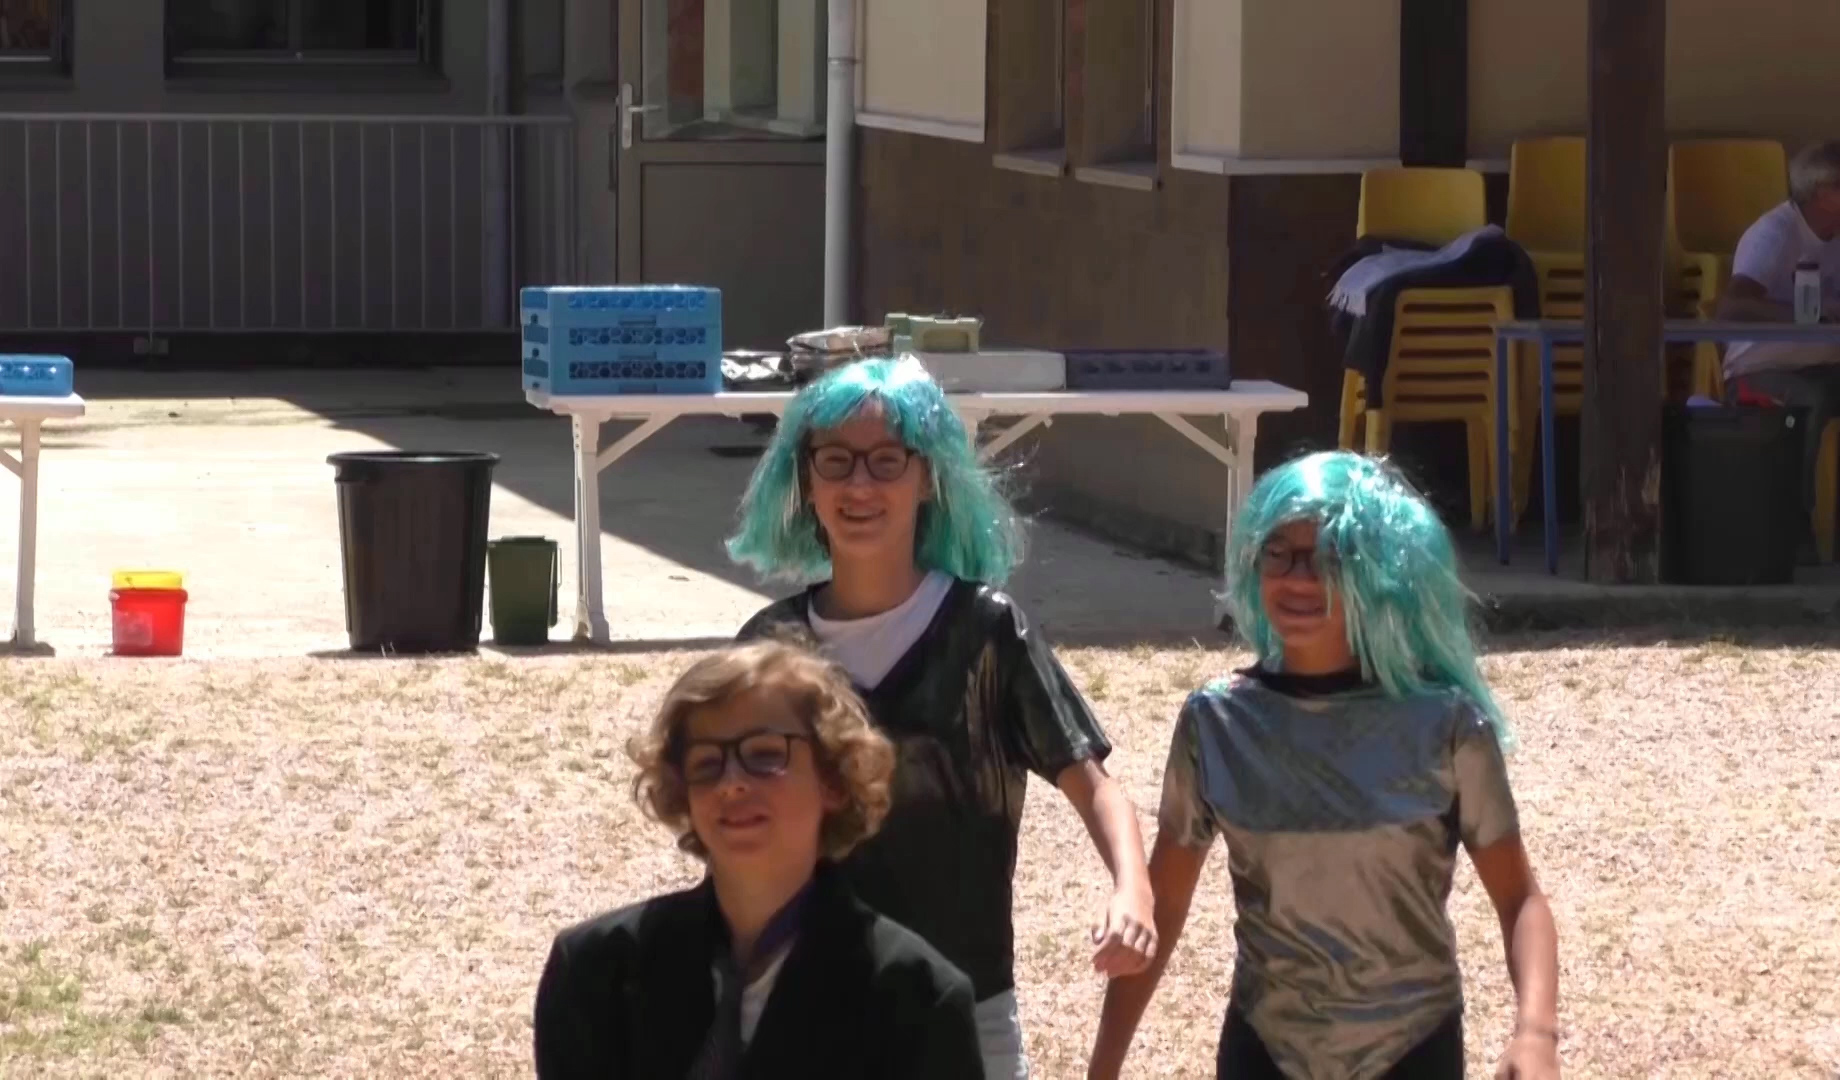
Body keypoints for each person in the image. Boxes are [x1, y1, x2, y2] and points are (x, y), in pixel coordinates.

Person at [726, 356, 1157, 1079]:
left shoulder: (986, 632)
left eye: (887, 460)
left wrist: (1133, 890)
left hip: (964, 1010)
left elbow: (1095, 786)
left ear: (928, 477)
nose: (860, 484)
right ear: (805, 481)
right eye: (836, 460)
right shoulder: (768, 649)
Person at [1088, 451, 1561, 1080]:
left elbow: (1520, 899)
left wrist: (1536, 1032)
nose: (1298, 577)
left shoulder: (1446, 727)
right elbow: (1166, 905)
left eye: (1327, 555)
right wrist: (1103, 1068)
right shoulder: (1217, 723)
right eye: (1278, 552)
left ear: (1378, 568)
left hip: (1411, 1050)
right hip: (1266, 1050)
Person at [532, 639, 986, 1080]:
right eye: (707, 763)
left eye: (765, 755)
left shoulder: (914, 999)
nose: (731, 782)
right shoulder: (597, 972)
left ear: (832, 780)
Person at [1719, 139, 1840, 539]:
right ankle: (1791, 525)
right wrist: (1806, 315)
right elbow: (1732, 307)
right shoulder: (1774, 232)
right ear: (1823, 192)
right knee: (1811, 399)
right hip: (1760, 368)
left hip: (1827, 365)